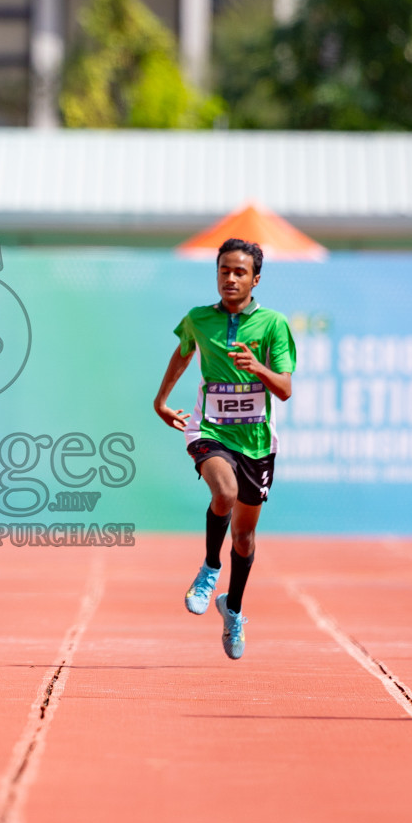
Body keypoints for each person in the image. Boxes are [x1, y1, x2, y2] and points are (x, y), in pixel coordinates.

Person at [153, 238, 295, 660]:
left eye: (239, 272)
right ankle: (209, 569)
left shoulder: (273, 324)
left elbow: (285, 390)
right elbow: (182, 354)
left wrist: (259, 368)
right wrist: (161, 401)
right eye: (223, 271)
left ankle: (233, 610)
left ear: (256, 279)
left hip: (255, 440)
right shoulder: (198, 319)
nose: (230, 279)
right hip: (208, 428)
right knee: (224, 493)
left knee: (246, 537)